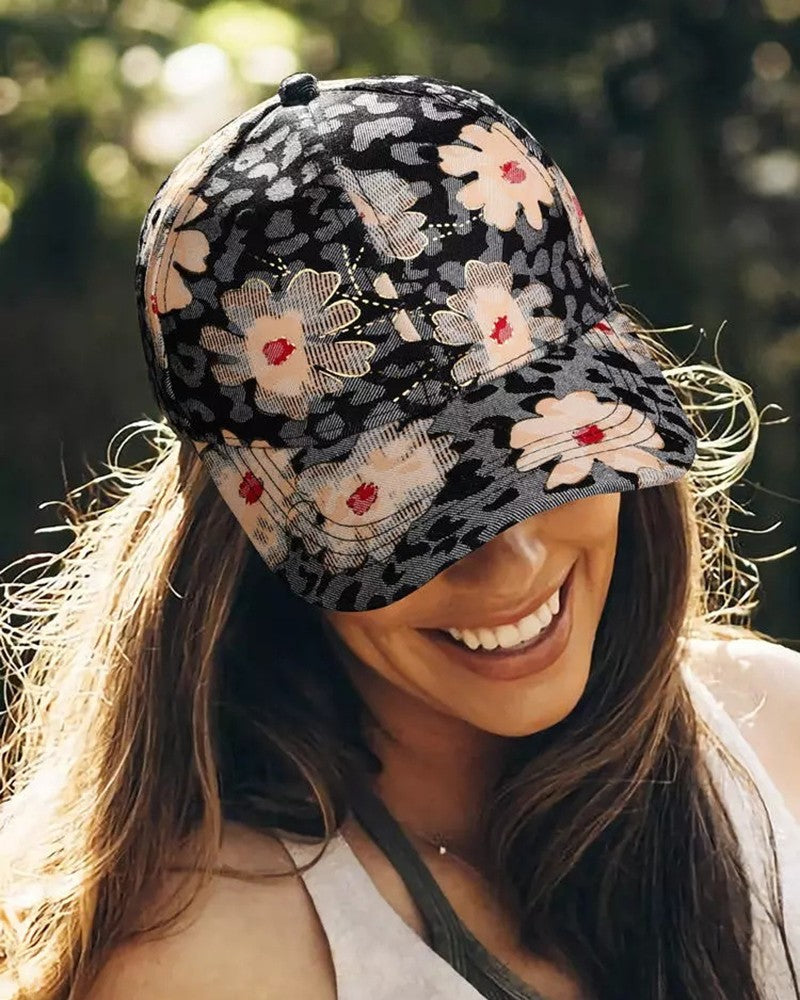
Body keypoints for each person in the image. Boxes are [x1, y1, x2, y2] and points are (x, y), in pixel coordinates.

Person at [0, 71, 798, 1000]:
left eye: (554, 454)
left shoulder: (775, 733)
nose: (512, 563)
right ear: (252, 537)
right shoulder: (214, 960)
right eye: (409, 516)